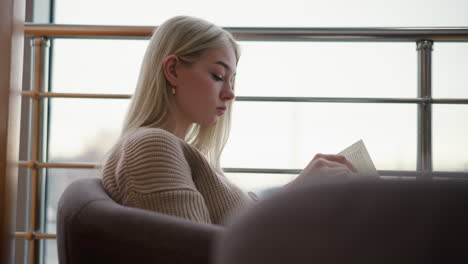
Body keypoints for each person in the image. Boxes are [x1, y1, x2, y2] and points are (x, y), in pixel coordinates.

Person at [101, 15, 357, 225]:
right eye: (217, 75)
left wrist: (296, 191)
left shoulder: (172, 151)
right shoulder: (152, 146)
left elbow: (226, 227)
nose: (230, 93)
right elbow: (194, 250)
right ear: (172, 70)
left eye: (232, 80)